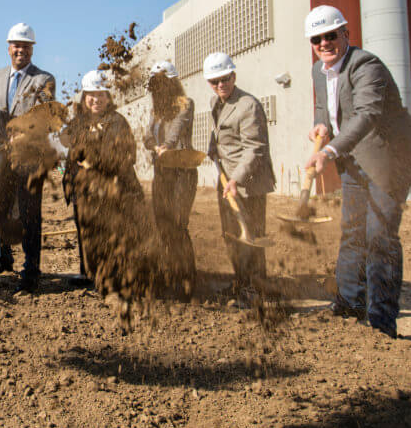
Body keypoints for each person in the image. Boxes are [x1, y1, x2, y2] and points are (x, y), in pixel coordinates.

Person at [304, 5, 411, 338]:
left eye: (331, 35)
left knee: (379, 236)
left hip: (390, 160)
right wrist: (321, 125)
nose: (324, 43)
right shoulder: (320, 70)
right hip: (355, 160)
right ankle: (348, 305)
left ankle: (381, 320)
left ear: (346, 34)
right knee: (352, 230)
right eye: (317, 39)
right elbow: (325, 107)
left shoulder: (366, 66)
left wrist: (329, 151)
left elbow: (367, 114)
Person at [0, 22, 56, 294]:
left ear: (32, 49)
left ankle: (31, 268)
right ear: (8, 47)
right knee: (0, 208)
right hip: (1, 156)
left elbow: (45, 116)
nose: (21, 50)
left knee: (29, 213)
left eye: (26, 46)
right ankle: (3, 258)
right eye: (17, 45)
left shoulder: (43, 79)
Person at [61, 69, 141, 287]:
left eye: (101, 94)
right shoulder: (78, 122)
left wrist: (96, 163)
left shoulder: (117, 122)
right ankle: (88, 273)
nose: (96, 99)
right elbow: (68, 151)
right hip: (83, 188)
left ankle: (113, 277)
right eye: (91, 95)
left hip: (110, 187)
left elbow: (128, 155)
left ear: (108, 97)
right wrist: (68, 178)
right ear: (85, 97)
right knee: (86, 230)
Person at [204, 51, 275, 294]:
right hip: (226, 178)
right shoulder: (216, 103)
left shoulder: (248, 105)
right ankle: (241, 282)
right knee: (232, 234)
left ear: (234, 76)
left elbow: (255, 148)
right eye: (215, 81)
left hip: (248, 182)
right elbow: (221, 133)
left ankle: (256, 289)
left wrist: (236, 179)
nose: (221, 85)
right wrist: (212, 148)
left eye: (225, 79)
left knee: (251, 237)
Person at [143, 60, 197, 300]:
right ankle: (169, 274)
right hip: (161, 173)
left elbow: (176, 130)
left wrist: (167, 146)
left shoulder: (185, 104)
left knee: (178, 225)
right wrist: (155, 147)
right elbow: (146, 137)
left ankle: (186, 280)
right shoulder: (156, 111)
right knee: (163, 225)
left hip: (182, 173)